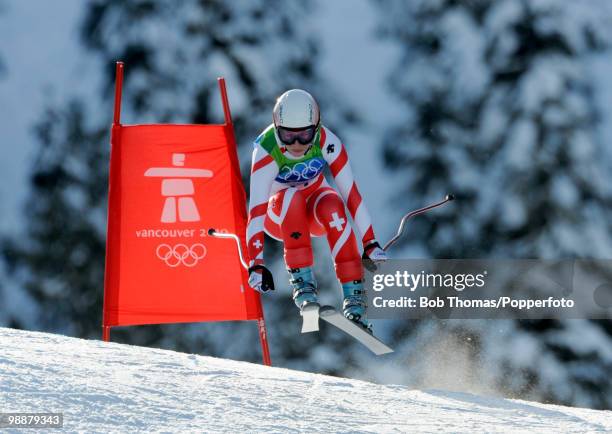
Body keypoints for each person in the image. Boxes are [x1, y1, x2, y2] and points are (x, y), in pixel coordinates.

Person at [246, 89, 386, 332]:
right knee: (291, 197)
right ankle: (304, 287)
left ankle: (355, 300)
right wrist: (255, 263)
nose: (297, 144)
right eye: (288, 136)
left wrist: (370, 242)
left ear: (317, 127)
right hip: (278, 216)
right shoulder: (266, 150)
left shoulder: (328, 143)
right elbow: (256, 211)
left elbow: (351, 195)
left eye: (305, 134)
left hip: (314, 212)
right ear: (276, 128)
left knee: (333, 205)